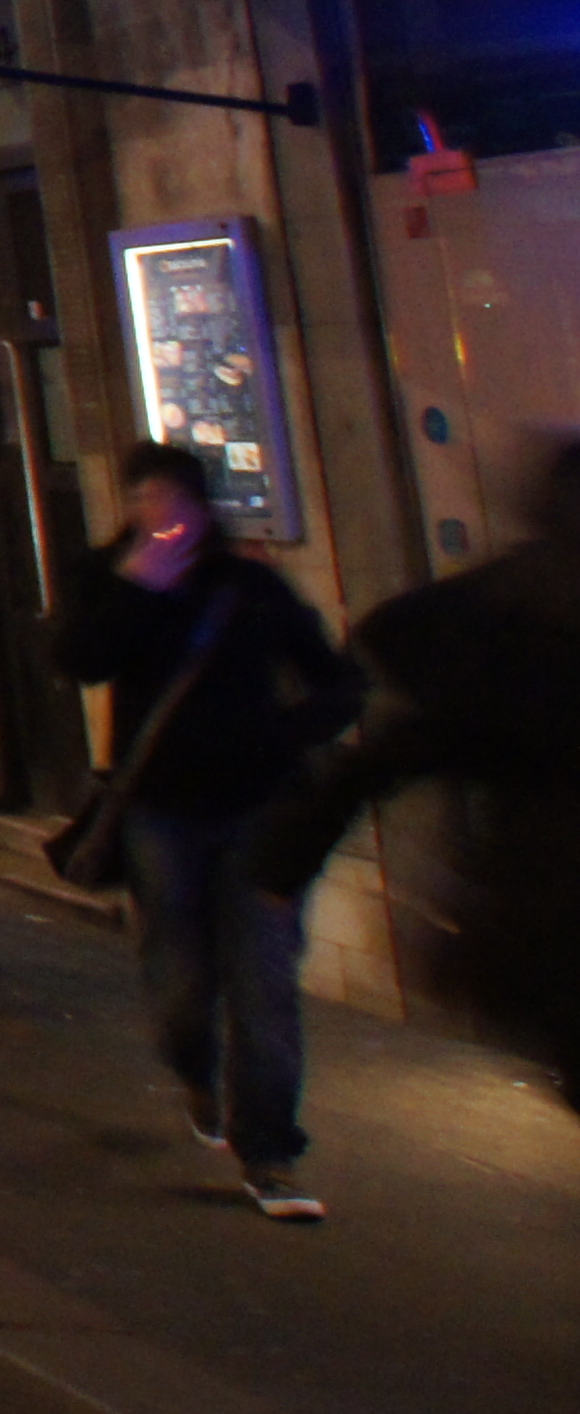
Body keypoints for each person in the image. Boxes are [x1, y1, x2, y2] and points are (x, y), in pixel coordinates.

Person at [56, 442, 359, 1221]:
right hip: (160, 811)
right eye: (145, 499)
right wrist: (138, 588)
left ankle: (270, 1154)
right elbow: (80, 660)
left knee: (264, 982)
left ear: (200, 508)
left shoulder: (247, 584)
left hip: (259, 810)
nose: (159, 516)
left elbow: (336, 681)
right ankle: (195, 1069)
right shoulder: (108, 579)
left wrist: (284, 735)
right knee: (181, 982)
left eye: (173, 500)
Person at [260, 436, 580, 1112]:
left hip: (548, 916)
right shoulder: (521, 631)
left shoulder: (504, 631)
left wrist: (288, 860)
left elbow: (391, 755)